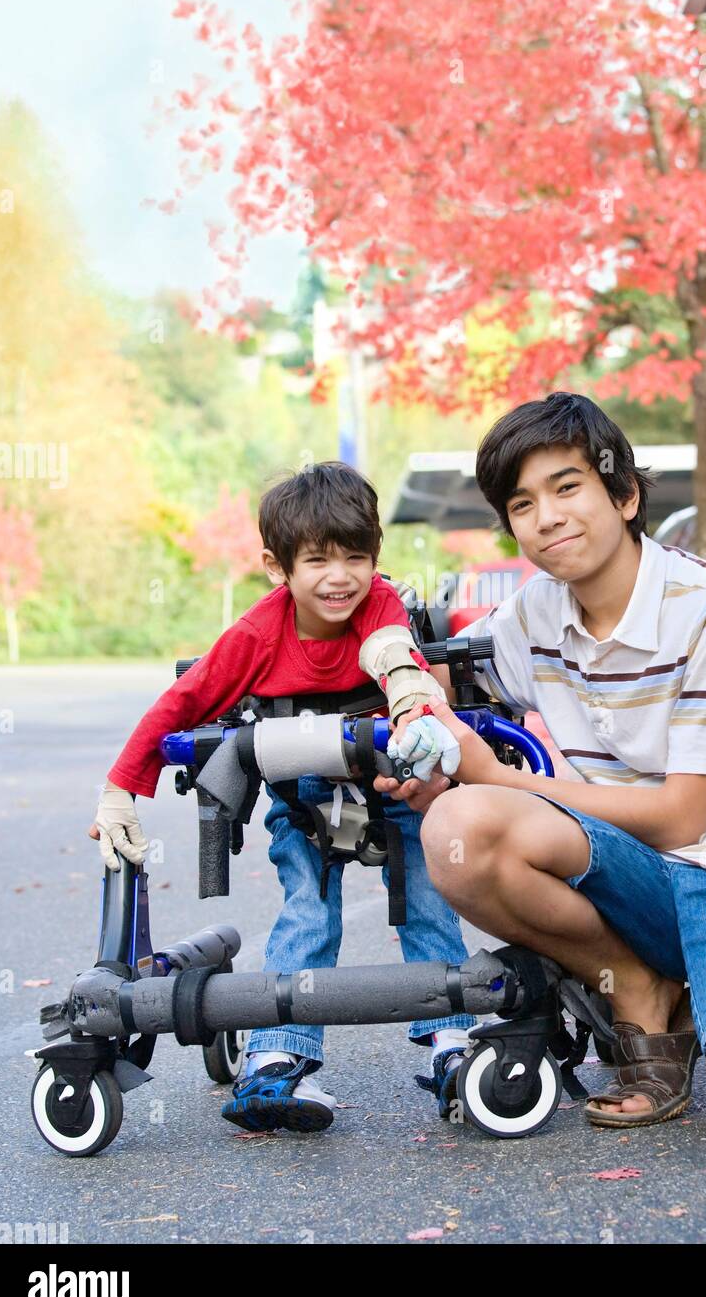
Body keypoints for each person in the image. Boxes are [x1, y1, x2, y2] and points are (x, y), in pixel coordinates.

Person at [380, 392, 706, 1147]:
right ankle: (641, 986)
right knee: (457, 828)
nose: (547, 517)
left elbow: (683, 818)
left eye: (567, 487)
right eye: (522, 503)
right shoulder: (533, 615)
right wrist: (418, 737)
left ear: (625, 493)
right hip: (640, 881)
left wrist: (497, 776)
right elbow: (438, 677)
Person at [88, 462, 474, 1134]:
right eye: (318, 560)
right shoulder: (256, 636)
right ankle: (278, 1057)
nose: (339, 577)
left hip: (393, 781)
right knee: (307, 911)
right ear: (278, 567)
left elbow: (392, 651)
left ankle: (452, 1042)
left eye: (356, 557)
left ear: (375, 559)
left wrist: (412, 694)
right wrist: (121, 787)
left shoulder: (378, 606)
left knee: (428, 904)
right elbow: (182, 704)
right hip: (305, 794)